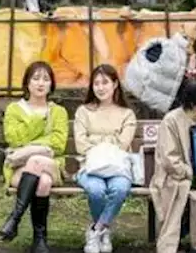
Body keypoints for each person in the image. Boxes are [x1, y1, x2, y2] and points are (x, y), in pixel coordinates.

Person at [0, 61, 68, 253]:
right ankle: (40, 240)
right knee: (43, 182)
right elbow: (13, 138)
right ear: (27, 83)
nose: (40, 83)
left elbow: (58, 143)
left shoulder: (58, 112)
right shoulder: (14, 109)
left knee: (36, 161)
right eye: (36, 78)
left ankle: (15, 218)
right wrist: (39, 122)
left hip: (51, 164)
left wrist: (30, 147)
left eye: (46, 79)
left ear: (51, 85)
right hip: (18, 168)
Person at [150, 78, 196, 253]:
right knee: (180, 189)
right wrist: (193, 178)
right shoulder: (171, 121)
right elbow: (170, 160)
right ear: (195, 104)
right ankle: (169, 246)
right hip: (178, 176)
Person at [74, 64, 137, 253]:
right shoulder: (83, 112)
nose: (100, 88)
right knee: (96, 190)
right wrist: (109, 139)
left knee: (120, 188)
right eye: (96, 83)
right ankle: (104, 230)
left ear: (115, 84)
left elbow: (123, 144)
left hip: (118, 167)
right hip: (89, 167)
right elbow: (80, 144)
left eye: (105, 83)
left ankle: (97, 229)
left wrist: (94, 139)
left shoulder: (127, 114)